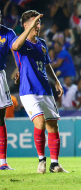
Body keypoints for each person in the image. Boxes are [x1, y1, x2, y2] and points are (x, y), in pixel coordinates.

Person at [11, 10, 67, 173]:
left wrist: (56, 81)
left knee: (53, 126)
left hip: (45, 90)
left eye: (39, 23)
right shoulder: (20, 42)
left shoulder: (42, 43)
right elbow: (15, 47)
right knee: (40, 122)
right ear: (25, 26)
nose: (38, 26)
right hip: (28, 91)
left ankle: (55, 164)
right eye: (35, 23)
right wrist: (28, 29)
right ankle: (41, 161)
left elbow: (47, 64)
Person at [0, 10, 16, 170]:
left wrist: (19, 68)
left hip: (0, 76)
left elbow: (16, 49)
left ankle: (2, 162)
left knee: (0, 120)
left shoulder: (7, 33)